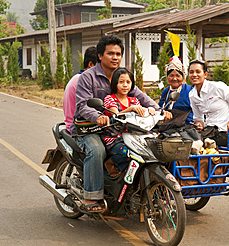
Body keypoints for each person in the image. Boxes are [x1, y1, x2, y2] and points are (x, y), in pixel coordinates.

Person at [69, 35, 162, 213]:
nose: (115, 57)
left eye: (118, 54)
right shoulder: (88, 77)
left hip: (117, 130)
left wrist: (159, 111)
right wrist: (98, 116)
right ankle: (92, 196)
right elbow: (82, 106)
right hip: (89, 128)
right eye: (110, 53)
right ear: (99, 55)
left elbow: (142, 98)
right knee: (97, 150)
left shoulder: (122, 77)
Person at [102, 67, 155, 178]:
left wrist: (149, 110)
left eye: (128, 82)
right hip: (115, 138)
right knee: (125, 153)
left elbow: (141, 115)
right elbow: (116, 116)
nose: (125, 85)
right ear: (115, 83)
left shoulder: (134, 100)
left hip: (132, 137)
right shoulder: (109, 99)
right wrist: (131, 109)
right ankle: (109, 163)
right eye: (121, 82)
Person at [188, 59, 229, 147]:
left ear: (205, 74)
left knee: (192, 141)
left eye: (198, 72)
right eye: (191, 72)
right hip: (208, 131)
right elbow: (199, 119)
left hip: (223, 132)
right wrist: (198, 125)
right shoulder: (192, 95)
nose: (194, 75)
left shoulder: (217, 87)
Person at [63, 46, 97, 132]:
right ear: (91, 65)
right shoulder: (82, 81)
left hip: (82, 124)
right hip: (79, 126)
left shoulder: (78, 78)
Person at [158, 56, 193, 127]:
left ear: (182, 77)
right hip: (168, 126)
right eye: (171, 75)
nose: (174, 78)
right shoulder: (166, 91)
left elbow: (196, 111)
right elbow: (160, 108)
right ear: (167, 77)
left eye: (178, 75)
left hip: (185, 127)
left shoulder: (190, 90)